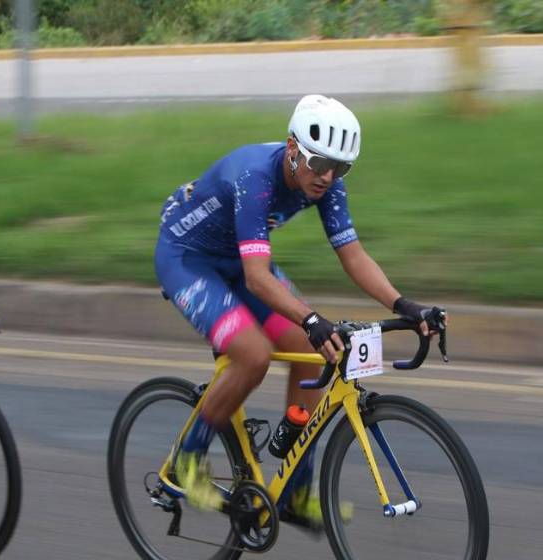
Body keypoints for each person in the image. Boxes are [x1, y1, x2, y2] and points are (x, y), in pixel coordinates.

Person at [154, 94, 442, 527]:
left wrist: (405, 305)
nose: (327, 177)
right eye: (319, 163)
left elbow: (353, 255)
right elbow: (257, 278)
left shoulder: (325, 182)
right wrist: (310, 318)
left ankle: (295, 489)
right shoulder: (255, 176)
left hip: (237, 261)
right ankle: (186, 461)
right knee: (253, 355)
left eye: (340, 168)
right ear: (292, 148)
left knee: (313, 352)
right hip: (189, 260)